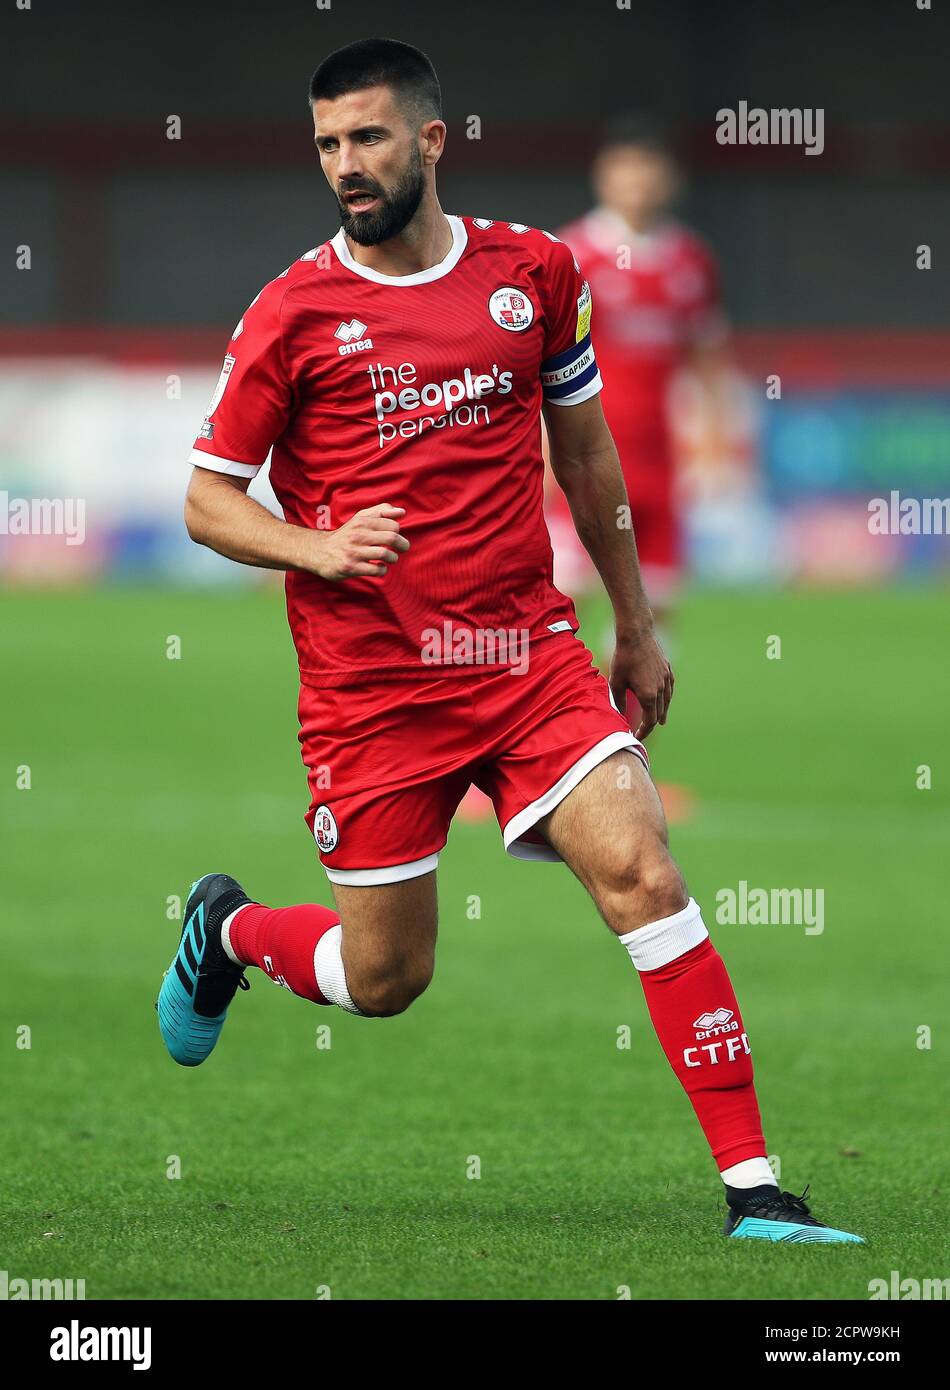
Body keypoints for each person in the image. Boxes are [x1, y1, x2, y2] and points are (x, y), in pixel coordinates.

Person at [157, 39, 861, 1244]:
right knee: (386, 981)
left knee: (641, 866)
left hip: (528, 661)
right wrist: (316, 547)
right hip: (372, 695)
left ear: (431, 140)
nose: (345, 165)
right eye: (327, 143)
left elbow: (585, 456)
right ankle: (223, 927)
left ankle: (756, 1191)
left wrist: (631, 623)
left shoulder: (534, 272)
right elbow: (206, 499)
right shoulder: (292, 313)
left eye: (368, 137)